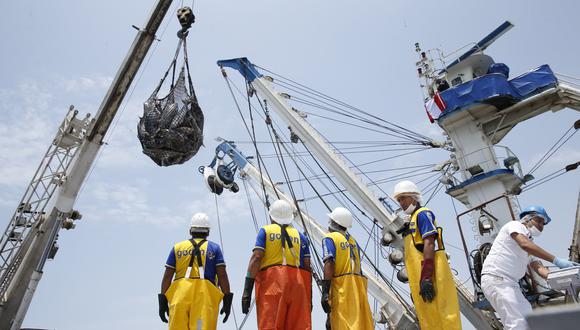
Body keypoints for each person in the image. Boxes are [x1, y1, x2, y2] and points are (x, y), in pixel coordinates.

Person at [481, 205, 579, 330]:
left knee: (528, 321)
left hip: (510, 284)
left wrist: (567, 274)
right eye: (539, 220)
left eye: (543, 224)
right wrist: (556, 260)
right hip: (498, 278)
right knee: (517, 324)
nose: (541, 226)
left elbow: (539, 269)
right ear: (527, 218)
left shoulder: (529, 243)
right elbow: (524, 244)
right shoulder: (515, 226)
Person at [393, 180, 461, 330]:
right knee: (429, 318)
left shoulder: (422, 214)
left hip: (431, 276)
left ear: (413, 197)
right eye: (399, 200)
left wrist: (426, 278)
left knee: (442, 315)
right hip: (420, 279)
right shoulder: (412, 219)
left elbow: (429, 243)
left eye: (403, 198)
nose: (401, 203)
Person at [241, 199, 312, 330]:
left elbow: (257, 258)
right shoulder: (301, 237)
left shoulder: (265, 231)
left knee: (271, 325)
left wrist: (247, 291)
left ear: (271, 215)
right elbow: (307, 267)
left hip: (272, 286)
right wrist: (309, 299)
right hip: (298, 286)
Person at [158, 213, 233, 330]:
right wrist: (227, 299)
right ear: (208, 232)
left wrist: (162, 300)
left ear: (190, 231)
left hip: (180, 299)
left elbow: (167, 276)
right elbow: (222, 275)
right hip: (203, 301)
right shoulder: (214, 248)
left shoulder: (177, 247)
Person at [320, 207, 373, 330]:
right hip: (358, 291)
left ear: (334, 222)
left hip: (341, 290)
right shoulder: (353, 242)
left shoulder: (330, 238)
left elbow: (329, 263)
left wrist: (325, 292)